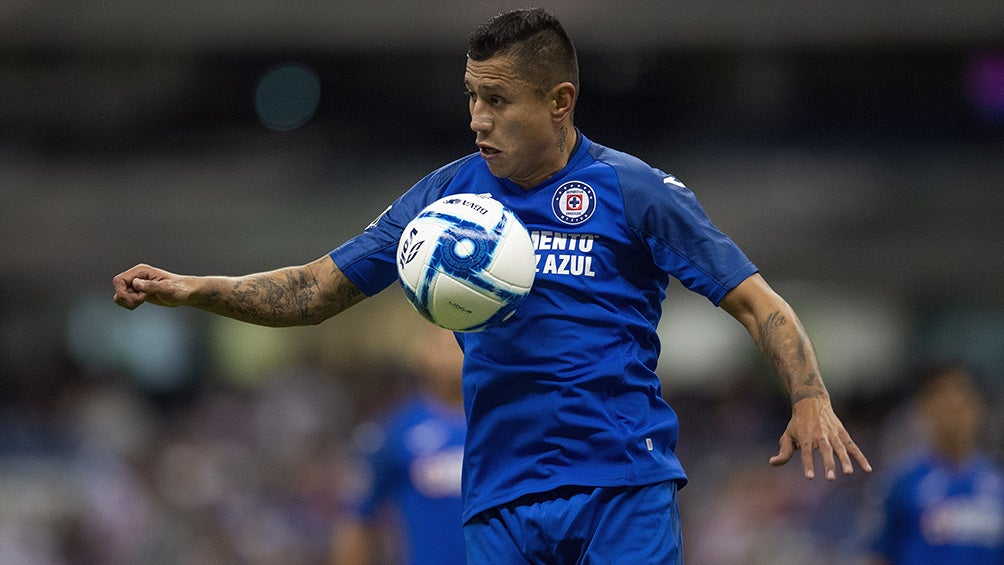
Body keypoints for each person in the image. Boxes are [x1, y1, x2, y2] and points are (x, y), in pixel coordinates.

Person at [113, 7, 871, 562]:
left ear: (560, 101)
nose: (478, 117)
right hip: (501, 499)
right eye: (472, 97)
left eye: (498, 100)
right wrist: (196, 287)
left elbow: (755, 299)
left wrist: (808, 396)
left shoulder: (635, 191)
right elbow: (316, 290)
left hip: (623, 485)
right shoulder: (448, 197)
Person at [332, 326, 467, 565]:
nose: (454, 355)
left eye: (461, 344)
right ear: (421, 352)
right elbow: (359, 520)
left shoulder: (506, 429)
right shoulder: (393, 432)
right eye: (444, 345)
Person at [869, 363, 1004, 564]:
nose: (955, 410)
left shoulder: (998, 483)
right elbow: (880, 555)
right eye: (945, 402)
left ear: (978, 407)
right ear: (925, 409)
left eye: (962, 400)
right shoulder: (901, 483)